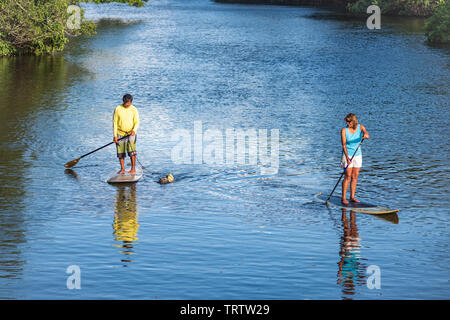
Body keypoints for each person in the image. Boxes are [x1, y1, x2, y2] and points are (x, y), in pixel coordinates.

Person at [341, 113, 369, 204]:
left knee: (355, 176)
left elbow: (367, 134)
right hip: (347, 155)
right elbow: (344, 145)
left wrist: (365, 135)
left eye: (349, 121)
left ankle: (352, 197)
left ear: (353, 121)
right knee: (348, 176)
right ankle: (343, 198)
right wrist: (347, 158)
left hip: (357, 155)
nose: (347, 123)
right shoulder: (344, 130)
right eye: (346, 121)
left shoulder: (360, 127)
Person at [113, 94, 140, 174]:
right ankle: (122, 169)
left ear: (131, 102)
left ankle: (133, 169)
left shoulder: (134, 109)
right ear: (123, 101)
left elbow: (137, 122)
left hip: (131, 134)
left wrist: (134, 130)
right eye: (126, 103)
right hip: (120, 134)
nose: (128, 104)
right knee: (120, 153)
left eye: (129, 103)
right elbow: (115, 123)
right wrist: (115, 136)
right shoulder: (118, 109)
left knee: (132, 152)